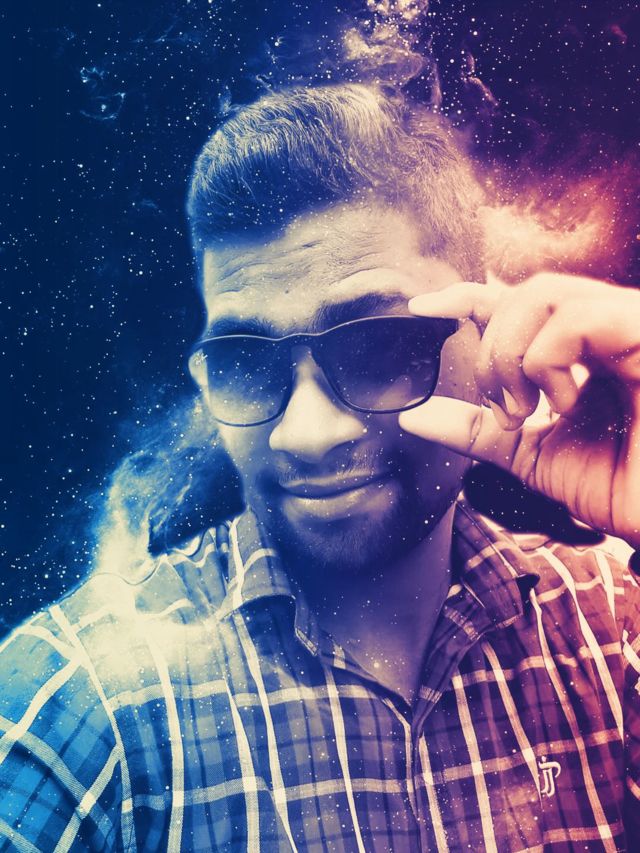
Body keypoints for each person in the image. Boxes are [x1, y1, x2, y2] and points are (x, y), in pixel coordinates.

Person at [1, 81, 639, 852]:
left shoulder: (615, 626)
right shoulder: (82, 705)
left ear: (487, 329)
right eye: (245, 362)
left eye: (378, 344)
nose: (307, 434)